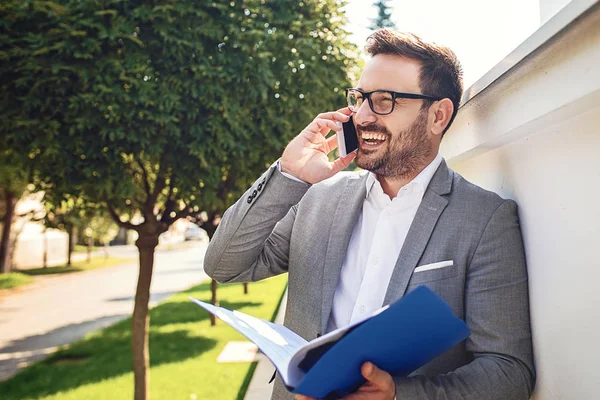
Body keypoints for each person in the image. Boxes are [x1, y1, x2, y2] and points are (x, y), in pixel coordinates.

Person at [204, 29, 534, 400]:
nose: (361, 116)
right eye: (359, 99)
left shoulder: (485, 219)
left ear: (438, 115)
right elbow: (223, 265)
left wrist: (398, 394)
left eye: (384, 101)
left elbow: (508, 372)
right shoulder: (317, 199)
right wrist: (288, 174)